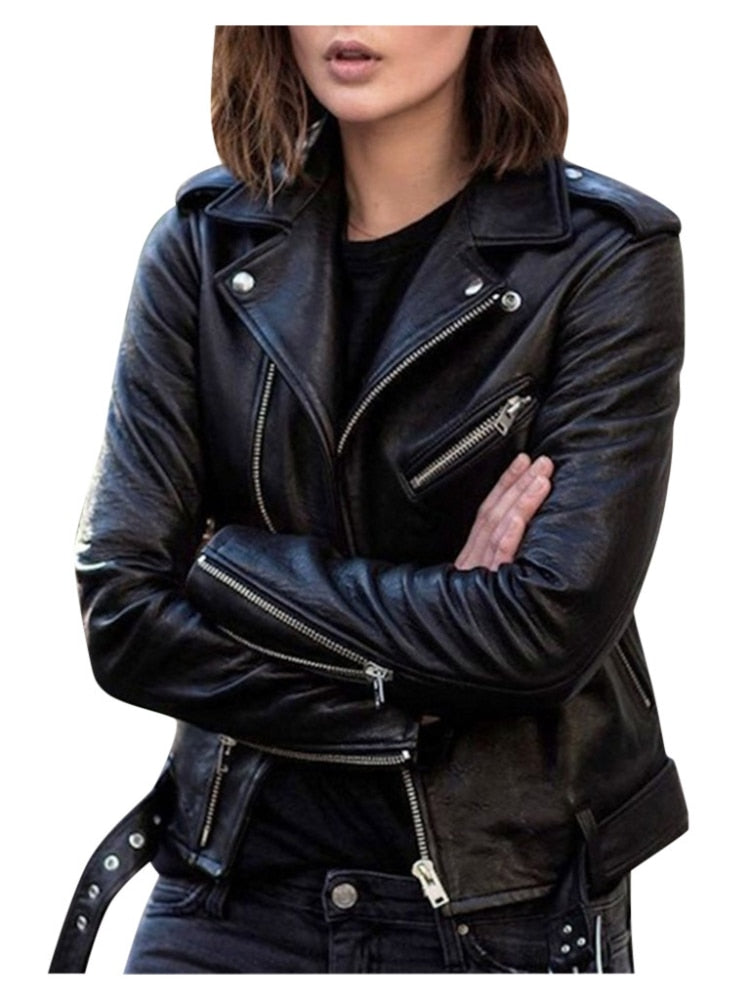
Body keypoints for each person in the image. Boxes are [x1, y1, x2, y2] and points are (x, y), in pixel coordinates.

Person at [50, 25, 687, 974]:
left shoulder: (602, 257)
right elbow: (124, 614)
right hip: (224, 890)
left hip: (495, 910)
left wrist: (228, 566)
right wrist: (422, 692)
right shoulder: (204, 245)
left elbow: (542, 633)